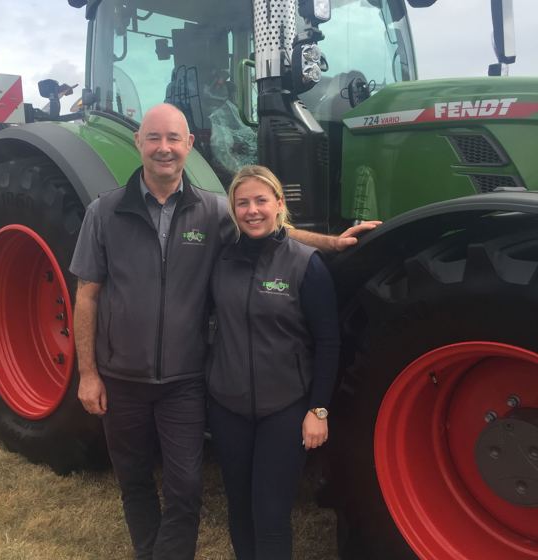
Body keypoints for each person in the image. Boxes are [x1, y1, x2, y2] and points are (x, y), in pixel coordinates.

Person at [70, 102, 378, 560]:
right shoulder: (104, 212)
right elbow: (87, 296)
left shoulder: (214, 212)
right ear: (139, 142)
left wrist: (330, 243)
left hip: (185, 381)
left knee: (185, 487)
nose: (164, 148)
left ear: (189, 145)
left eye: (174, 139)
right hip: (123, 378)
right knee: (134, 481)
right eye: (153, 138)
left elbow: (273, 231)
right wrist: (89, 373)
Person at [207, 165, 341, 560]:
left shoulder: (306, 264)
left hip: (283, 409)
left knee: (270, 512)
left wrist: (318, 409)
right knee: (240, 508)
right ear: (233, 208)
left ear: (279, 204)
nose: (252, 210)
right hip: (227, 406)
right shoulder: (221, 260)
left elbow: (328, 342)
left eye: (261, 200)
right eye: (243, 202)